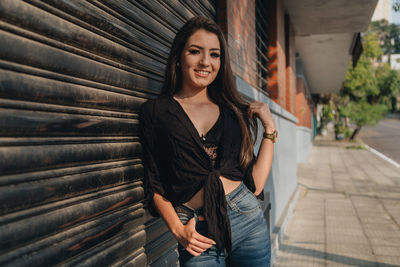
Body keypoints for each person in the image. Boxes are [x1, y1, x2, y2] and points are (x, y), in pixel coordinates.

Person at [140, 16, 277, 267]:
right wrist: (177, 229)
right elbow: (154, 181)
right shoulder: (156, 112)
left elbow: (255, 184)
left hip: (247, 219)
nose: (205, 62)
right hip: (196, 231)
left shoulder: (231, 111)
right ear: (179, 58)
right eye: (195, 52)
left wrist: (270, 129)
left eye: (215, 55)